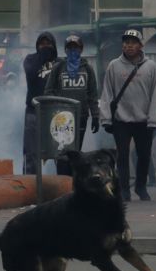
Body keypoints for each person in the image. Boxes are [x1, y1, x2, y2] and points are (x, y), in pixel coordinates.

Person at [99, 29, 156, 202]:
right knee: (122, 156)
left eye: (133, 42)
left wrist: (153, 119)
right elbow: (107, 93)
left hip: (144, 121)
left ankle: (141, 187)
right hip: (121, 120)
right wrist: (106, 119)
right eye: (126, 42)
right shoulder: (114, 66)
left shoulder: (151, 67)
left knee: (143, 155)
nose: (129, 45)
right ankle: (124, 189)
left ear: (141, 45)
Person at [43, 34, 101, 175]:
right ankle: (62, 183)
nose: (73, 50)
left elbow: (93, 94)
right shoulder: (59, 67)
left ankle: (73, 183)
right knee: (62, 152)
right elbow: (48, 90)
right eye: (70, 47)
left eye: (76, 47)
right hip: (62, 119)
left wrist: (95, 115)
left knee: (75, 152)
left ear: (81, 49)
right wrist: (59, 104)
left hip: (81, 116)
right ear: (65, 50)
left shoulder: (87, 69)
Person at [22, 32, 60, 175]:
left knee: (60, 151)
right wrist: (43, 56)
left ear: (54, 46)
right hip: (34, 111)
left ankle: (63, 183)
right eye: (42, 44)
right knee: (31, 151)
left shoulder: (60, 62)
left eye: (48, 44)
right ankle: (30, 183)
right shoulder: (30, 60)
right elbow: (31, 74)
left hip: (56, 112)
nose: (45, 47)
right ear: (37, 46)